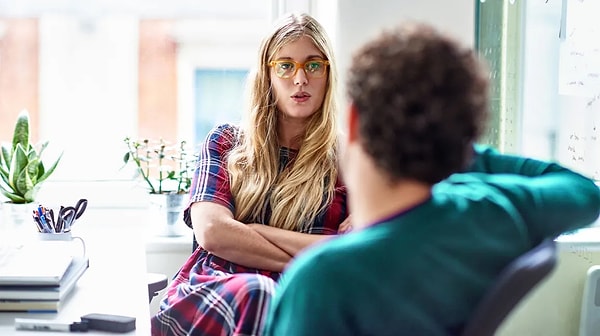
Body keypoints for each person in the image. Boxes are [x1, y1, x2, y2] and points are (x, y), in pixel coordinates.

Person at [264, 22, 600, 336]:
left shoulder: (322, 280)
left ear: (353, 123)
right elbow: (583, 192)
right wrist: (455, 148)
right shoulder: (493, 215)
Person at [150, 12, 349, 336]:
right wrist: (311, 256)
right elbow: (213, 232)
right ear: (267, 74)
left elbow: (353, 252)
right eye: (286, 66)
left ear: (328, 74)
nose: (300, 80)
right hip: (216, 289)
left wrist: (253, 231)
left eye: (313, 65)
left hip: (301, 302)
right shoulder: (225, 142)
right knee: (260, 295)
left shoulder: (348, 159)